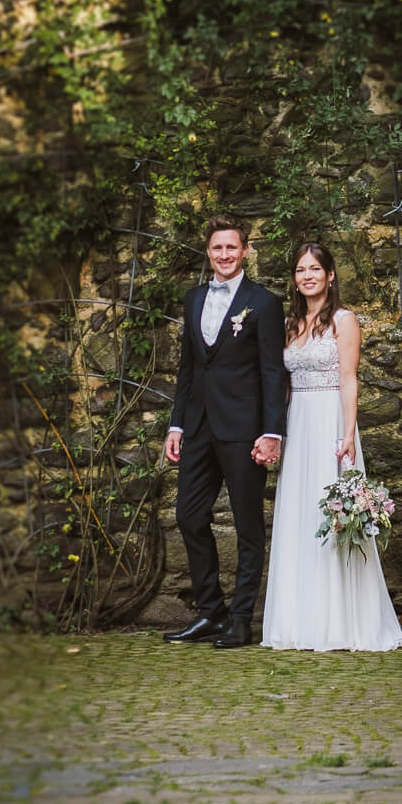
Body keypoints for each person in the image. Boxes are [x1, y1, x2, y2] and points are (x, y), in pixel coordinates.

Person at [261, 241, 402, 652]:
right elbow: (283, 385)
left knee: (333, 517)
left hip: (329, 421)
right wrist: (273, 431)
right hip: (298, 423)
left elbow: (348, 378)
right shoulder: (290, 324)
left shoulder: (344, 320)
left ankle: (341, 621)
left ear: (330, 276)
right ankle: (299, 620)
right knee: (299, 515)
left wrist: (348, 433)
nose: (307, 276)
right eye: (300, 270)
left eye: (314, 269)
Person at [162, 215, 286, 650]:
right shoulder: (192, 299)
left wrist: (272, 431)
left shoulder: (265, 303)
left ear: (246, 250)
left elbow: (273, 371)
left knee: (248, 525)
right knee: (189, 517)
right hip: (197, 428)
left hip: (243, 430)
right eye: (217, 248)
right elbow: (188, 368)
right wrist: (176, 423)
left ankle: (240, 619)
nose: (224, 255)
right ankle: (210, 612)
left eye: (232, 247)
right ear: (209, 252)